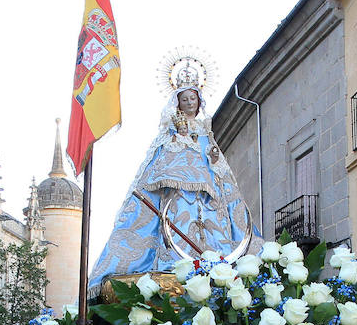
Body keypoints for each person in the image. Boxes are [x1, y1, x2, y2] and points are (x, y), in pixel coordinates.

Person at [88, 70, 259, 286]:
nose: (189, 103)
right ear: (178, 103)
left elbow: (215, 161)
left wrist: (213, 157)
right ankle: (175, 263)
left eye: (192, 99)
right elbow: (163, 160)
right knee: (178, 223)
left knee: (215, 227)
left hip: (209, 196)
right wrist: (181, 148)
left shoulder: (205, 131)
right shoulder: (172, 130)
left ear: (199, 101)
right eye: (185, 99)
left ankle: (215, 258)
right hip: (179, 195)